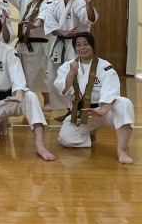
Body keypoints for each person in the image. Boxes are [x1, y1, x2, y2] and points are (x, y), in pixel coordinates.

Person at [0, 15, 55, 161]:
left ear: (0, 30)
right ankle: (1, 121)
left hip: (12, 98)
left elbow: (17, 75)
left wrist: (19, 95)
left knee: (31, 97)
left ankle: (40, 145)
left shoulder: (9, 51)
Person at [54, 32, 134, 164]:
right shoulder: (68, 66)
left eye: (86, 44)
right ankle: (91, 132)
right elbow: (62, 90)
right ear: (74, 48)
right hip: (82, 113)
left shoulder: (104, 66)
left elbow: (111, 89)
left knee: (125, 103)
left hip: (104, 111)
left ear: (92, 46)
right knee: (66, 139)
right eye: (78, 45)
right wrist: (71, 73)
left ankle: (122, 151)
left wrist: (103, 110)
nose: (82, 48)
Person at [0, 0, 54, 111]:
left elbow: (44, 16)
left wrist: (36, 25)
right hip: (22, 45)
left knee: (38, 74)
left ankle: (48, 101)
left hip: (37, 46)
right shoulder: (27, 1)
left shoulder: (49, 2)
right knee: (19, 73)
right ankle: (22, 101)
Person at [44, 0, 98, 111]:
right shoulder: (55, 5)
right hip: (60, 44)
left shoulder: (80, 3)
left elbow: (89, 19)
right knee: (55, 77)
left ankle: (77, 110)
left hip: (77, 45)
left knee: (76, 76)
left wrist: (89, 4)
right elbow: (49, 24)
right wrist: (63, 33)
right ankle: (68, 109)